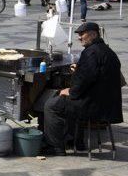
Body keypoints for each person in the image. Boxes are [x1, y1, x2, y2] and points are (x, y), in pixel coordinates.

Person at [39, 22, 123, 154]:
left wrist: (71, 91)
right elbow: (95, 75)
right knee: (67, 103)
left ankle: (55, 146)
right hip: (108, 104)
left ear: (93, 34)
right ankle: (77, 142)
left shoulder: (91, 52)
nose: (79, 37)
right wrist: (79, 70)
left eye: (82, 34)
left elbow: (85, 80)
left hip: (93, 105)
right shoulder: (108, 51)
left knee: (51, 105)